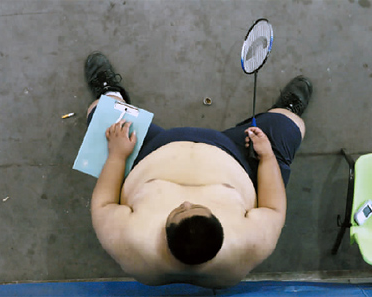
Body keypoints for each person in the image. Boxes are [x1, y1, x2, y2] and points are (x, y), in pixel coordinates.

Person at [85, 51, 312, 289]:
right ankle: (284, 110)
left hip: (149, 151)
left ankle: (110, 92)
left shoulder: (131, 245)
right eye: (198, 208)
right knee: (290, 124)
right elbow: (273, 207)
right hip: (235, 152)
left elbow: (103, 204)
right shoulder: (250, 244)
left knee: (99, 110)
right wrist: (265, 155)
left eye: (179, 211)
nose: (186, 202)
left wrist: (118, 155)